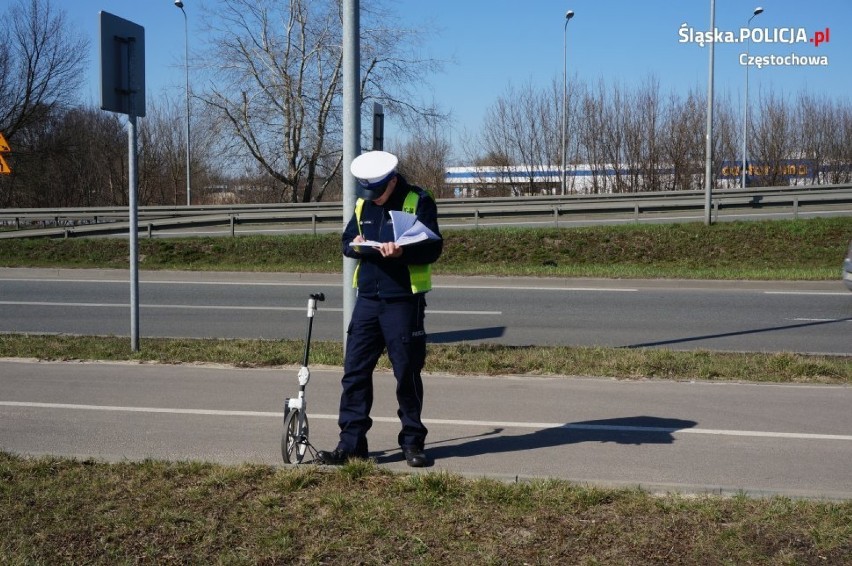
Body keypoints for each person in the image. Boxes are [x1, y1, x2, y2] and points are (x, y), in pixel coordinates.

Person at [317, 150, 442, 468]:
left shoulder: (417, 200)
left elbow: (433, 247)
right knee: (354, 372)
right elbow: (346, 242)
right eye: (367, 192)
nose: (372, 199)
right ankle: (351, 444)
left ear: (393, 181)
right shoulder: (363, 204)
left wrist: (401, 252)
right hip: (368, 302)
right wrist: (357, 244)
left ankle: (412, 442)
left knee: (406, 374)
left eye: (378, 192)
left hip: (403, 301)